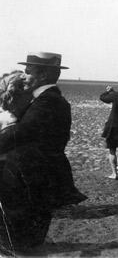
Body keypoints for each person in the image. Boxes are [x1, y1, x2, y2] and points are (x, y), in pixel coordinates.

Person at [0, 53, 86, 250]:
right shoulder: (44, 100)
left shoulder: (49, 101)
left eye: (29, 69)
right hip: (33, 179)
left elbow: (19, 133)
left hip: (30, 181)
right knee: (24, 242)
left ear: (44, 74)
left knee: (20, 243)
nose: (25, 73)